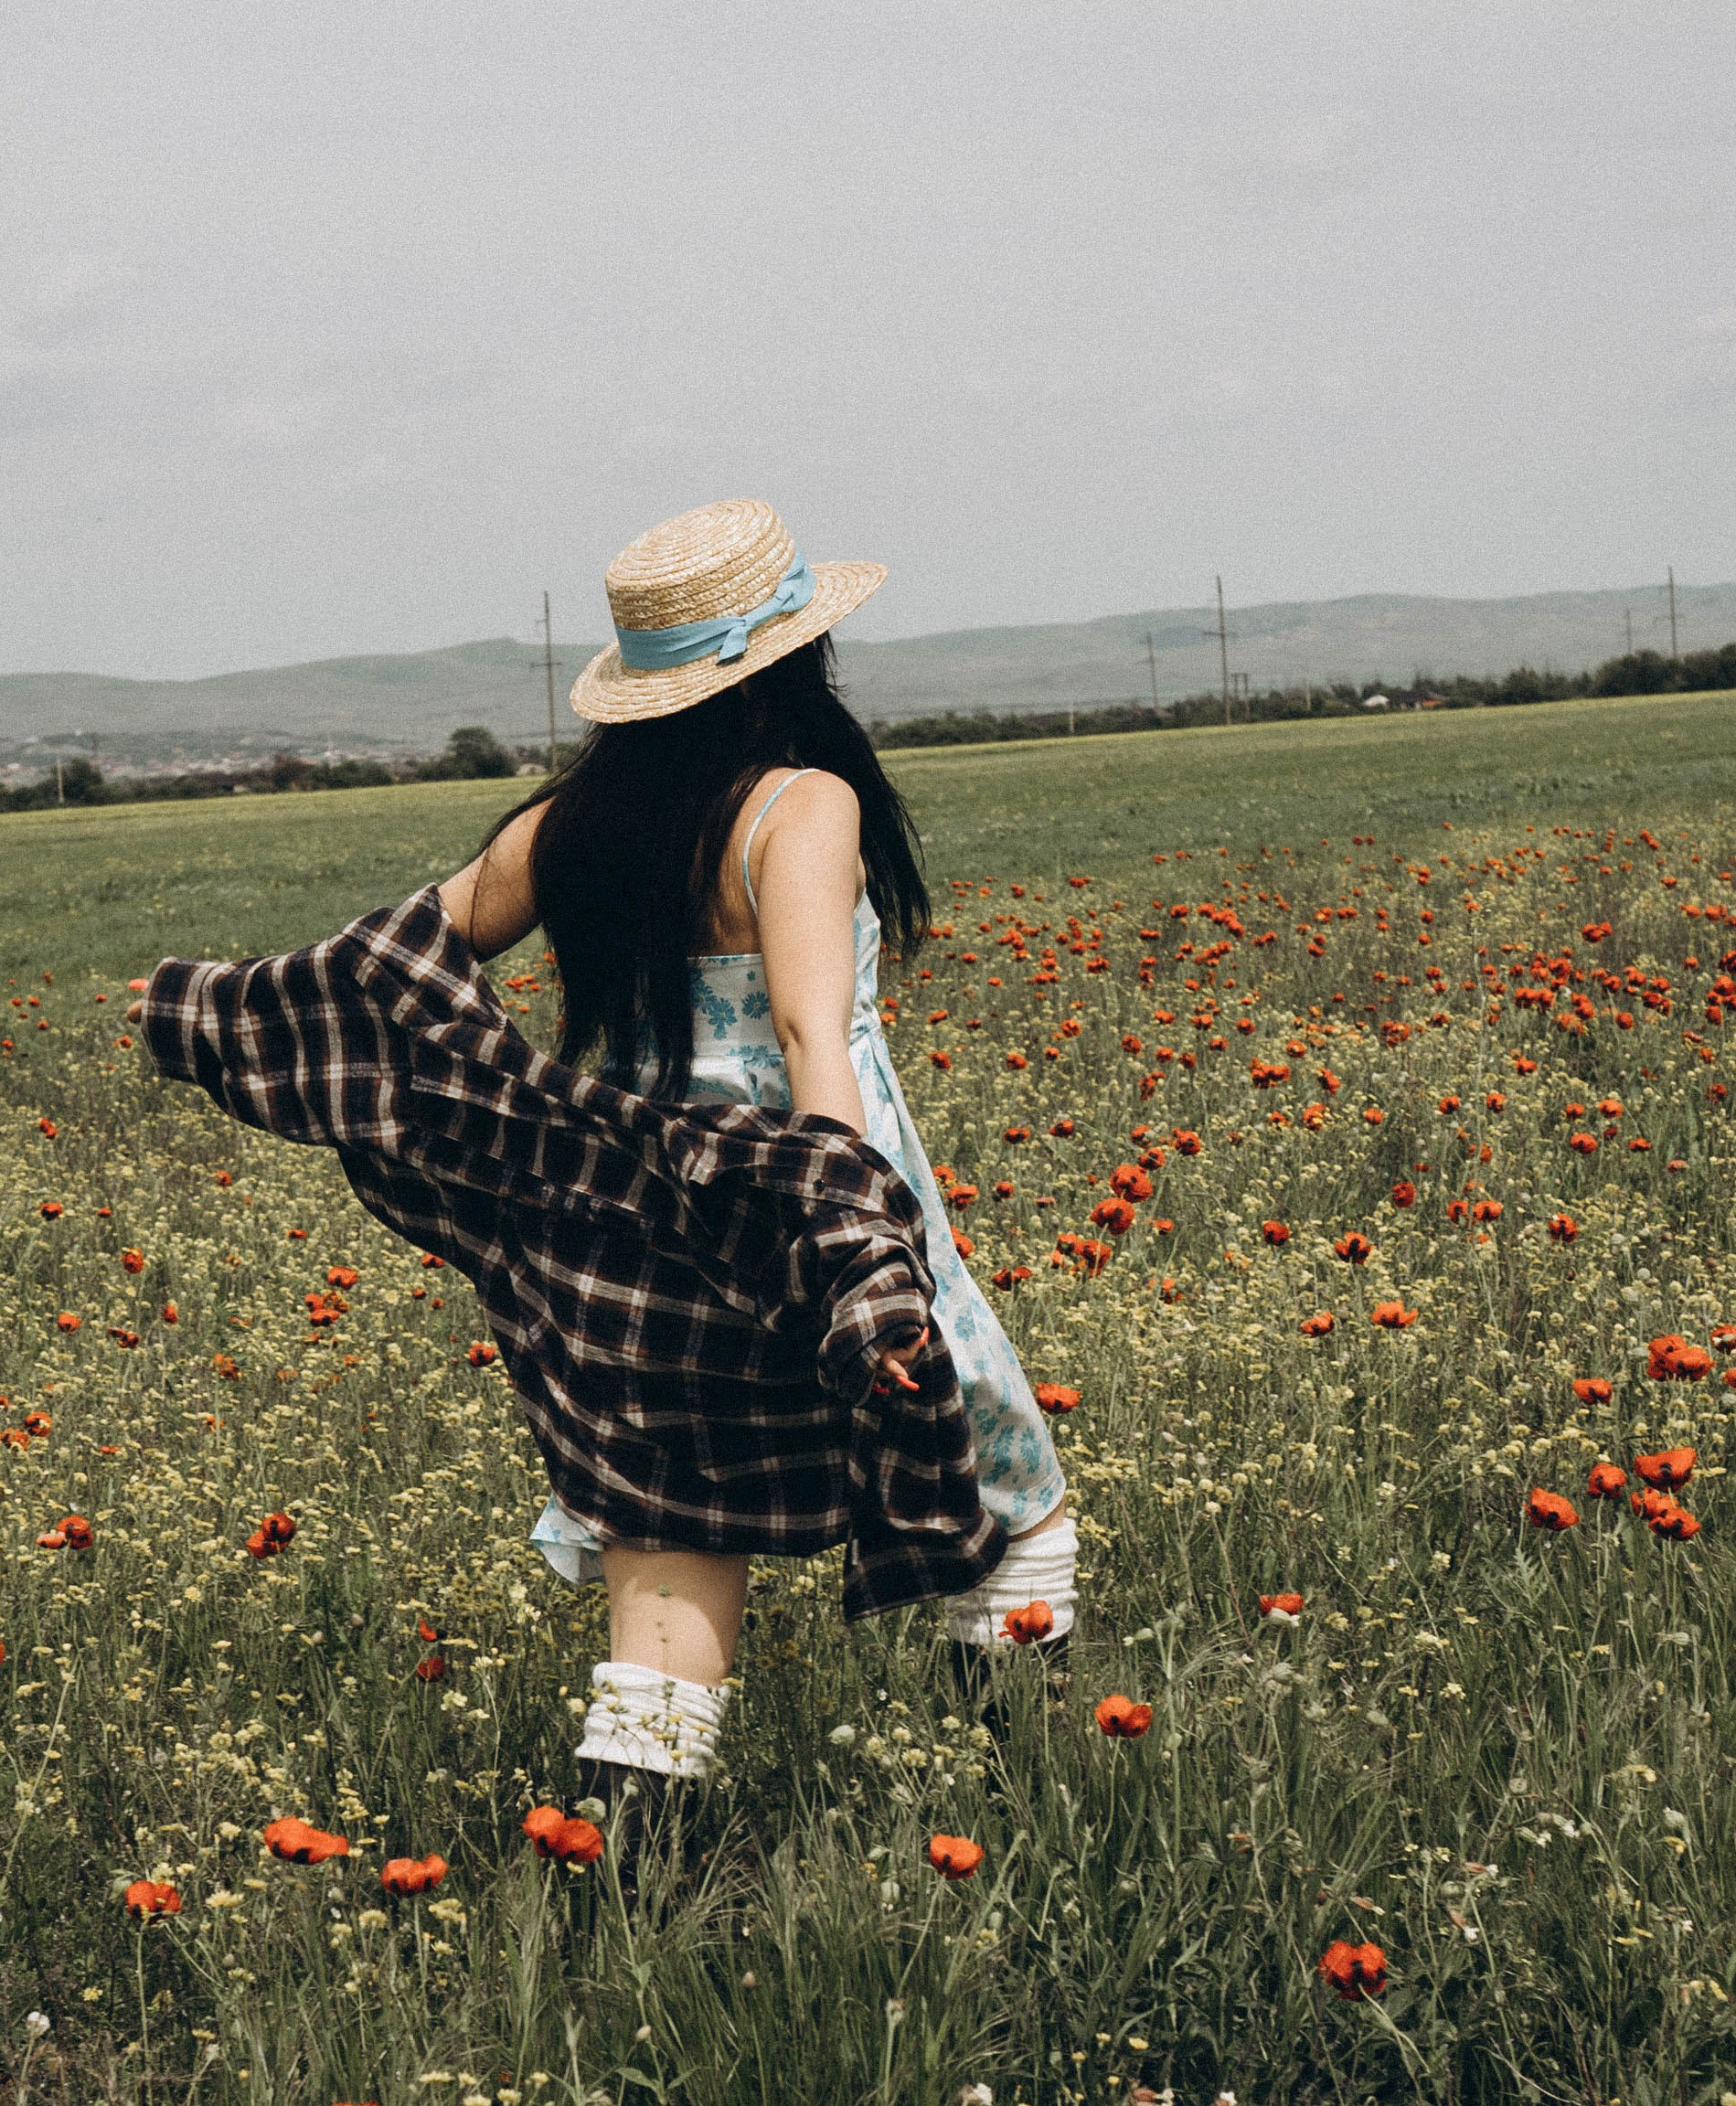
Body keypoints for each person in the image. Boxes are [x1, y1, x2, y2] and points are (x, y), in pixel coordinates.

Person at [135, 498, 1074, 1818]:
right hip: (801, 1188)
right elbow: (813, 1034)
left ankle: (623, 1908)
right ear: (794, 660)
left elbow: (391, 960)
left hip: (631, 1210)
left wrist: (222, 1011)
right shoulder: (804, 806)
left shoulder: (568, 824)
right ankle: (1024, 1813)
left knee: (670, 1588)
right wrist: (863, 1256)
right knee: (1007, 1497)